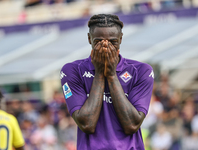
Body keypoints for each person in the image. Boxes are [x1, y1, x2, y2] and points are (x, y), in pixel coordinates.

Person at [60, 14, 154, 150]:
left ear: (121, 39)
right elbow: (87, 124)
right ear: (89, 39)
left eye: (113, 42)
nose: (105, 46)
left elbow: (132, 125)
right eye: (98, 41)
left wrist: (110, 75)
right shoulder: (72, 70)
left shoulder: (141, 71)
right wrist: (99, 73)